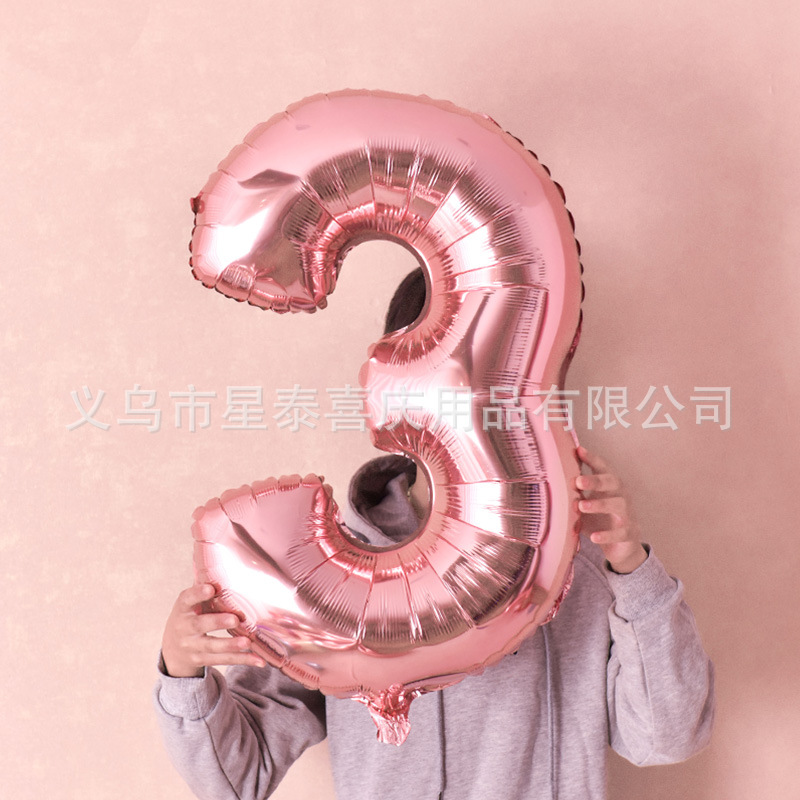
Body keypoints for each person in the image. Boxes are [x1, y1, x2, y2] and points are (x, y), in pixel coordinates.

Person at [154, 268, 715, 800]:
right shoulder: (327, 574)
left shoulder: (576, 565)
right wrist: (183, 672)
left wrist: (631, 568)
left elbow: (669, 737)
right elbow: (239, 776)